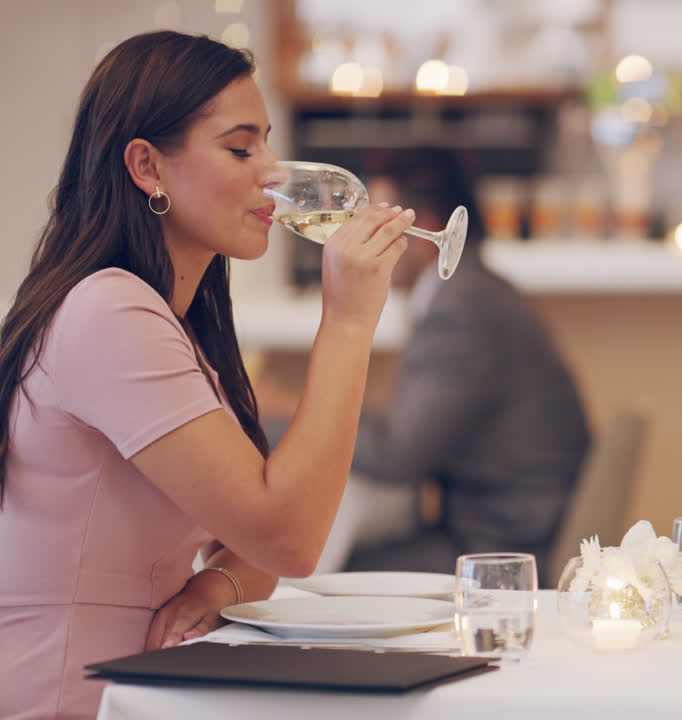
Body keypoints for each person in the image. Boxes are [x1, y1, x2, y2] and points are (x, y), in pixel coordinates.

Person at [0, 32, 415, 719]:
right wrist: (346, 325)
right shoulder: (110, 312)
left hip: (143, 695)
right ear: (146, 167)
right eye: (241, 148)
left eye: (268, 145)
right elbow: (290, 536)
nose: (274, 172)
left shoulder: (165, 320)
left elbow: (257, 545)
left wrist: (215, 586)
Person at [329, 153, 590, 575]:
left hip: (503, 545)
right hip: (508, 526)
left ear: (421, 229)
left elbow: (399, 455)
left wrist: (275, 415)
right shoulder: (476, 291)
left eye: (371, 225)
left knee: (319, 572)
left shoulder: (463, 309)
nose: (356, 238)